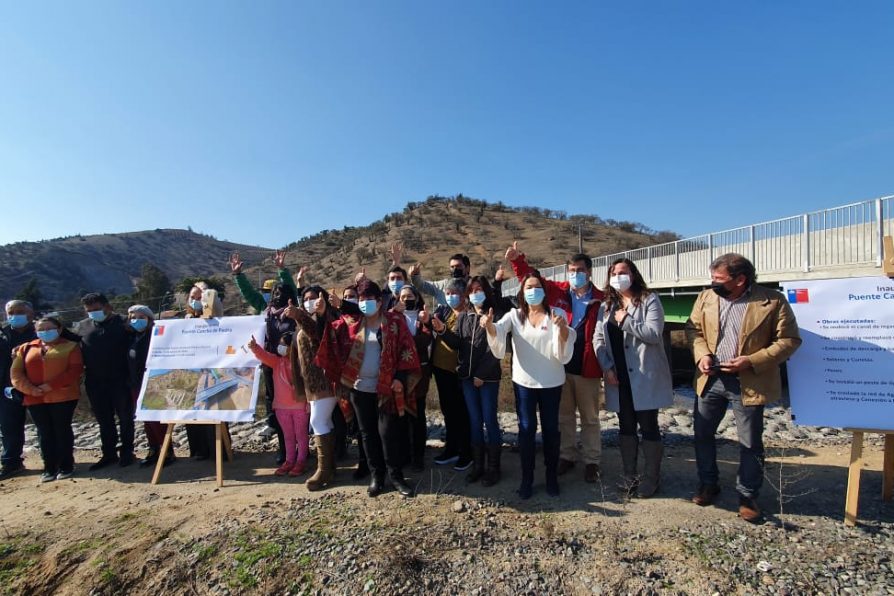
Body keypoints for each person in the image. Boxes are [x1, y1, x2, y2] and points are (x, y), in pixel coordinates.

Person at [686, 253, 801, 522]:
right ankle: (708, 484)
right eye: (712, 277)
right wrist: (702, 355)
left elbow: (789, 340)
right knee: (702, 434)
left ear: (740, 279)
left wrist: (751, 360)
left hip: (749, 381)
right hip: (711, 378)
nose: (713, 283)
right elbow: (693, 330)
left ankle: (748, 495)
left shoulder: (772, 301)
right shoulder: (706, 297)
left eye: (719, 279)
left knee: (749, 441)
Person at [507, 242, 605, 483]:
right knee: (565, 416)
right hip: (560, 366)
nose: (574, 275)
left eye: (579, 270)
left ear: (589, 272)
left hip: (587, 365)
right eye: (571, 270)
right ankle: (567, 455)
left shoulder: (602, 298)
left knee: (590, 417)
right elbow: (532, 282)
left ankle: (592, 461)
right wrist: (517, 261)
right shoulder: (560, 292)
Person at [315, 280, 421, 498]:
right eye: (361, 300)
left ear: (380, 301)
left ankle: (396, 476)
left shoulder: (394, 322)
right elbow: (328, 334)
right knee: (367, 435)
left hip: (386, 388)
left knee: (387, 433)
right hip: (359, 388)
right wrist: (323, 313)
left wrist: (400, 377)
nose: (364, 303)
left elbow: (406, 349)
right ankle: (377, 477)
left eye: (368, 299)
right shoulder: (352, 323)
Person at [482, 272, 576, 499]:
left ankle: (551, 477)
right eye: (528, 287)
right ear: (522, 292)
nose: (533, 290)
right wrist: (489, 326)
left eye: (536, 286)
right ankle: (527, 478)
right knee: (526, 430)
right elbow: (499, 331)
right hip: (524, 382)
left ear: (544, 290)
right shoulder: (515, 315)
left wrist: (562, 329)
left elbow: (566, 340)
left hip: (551, 382)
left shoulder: (556, 313)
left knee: (551, 430)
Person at [593, 258, 673, 497]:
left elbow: (653, 334)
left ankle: (651, 478)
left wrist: (626, 320)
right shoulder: (606, 306)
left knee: (649, 426)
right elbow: (598, 339)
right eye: (614, 273)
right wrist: (606, 368)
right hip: (618, 378)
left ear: (633, 274)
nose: (618, 276)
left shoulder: (650, 300)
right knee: (626, 427)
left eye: (623, 271)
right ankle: (630, 475)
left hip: (644, 377)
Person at [435, 275, 513, 485]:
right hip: (467, 379)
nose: (475, 293)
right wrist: (442, 331)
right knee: (475, 422)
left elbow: (496, 350)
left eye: (479, 289)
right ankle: (478, 466)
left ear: (486, 292)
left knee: (490, 421)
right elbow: (458, 344)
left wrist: (481, 375)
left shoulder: (495, 315)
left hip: (487, 379)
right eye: (472, 290)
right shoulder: (464, 317)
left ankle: (493, 468)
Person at [230, 251, 297, 465]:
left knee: (297, 404)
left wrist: (283, 271)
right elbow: (249, 294)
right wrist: (238, 275)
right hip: (270, 363)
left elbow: (291, 290)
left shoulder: (292, 310)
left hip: (293, 365)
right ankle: (283, 447)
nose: (272, 295)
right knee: (274, 405)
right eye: (269, 292)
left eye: (275, 291)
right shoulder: (264, 308)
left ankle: (300, 447)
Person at [283, 286, 343, 490]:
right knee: (324, 421)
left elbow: (315, 333)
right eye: (306, 298)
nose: (310, 301)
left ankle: (323, 470)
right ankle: (330, 467)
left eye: (314, 298)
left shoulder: (326, 318)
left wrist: (299, 315)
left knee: (317, 420)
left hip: (325, 381)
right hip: (313, 382)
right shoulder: (306, 320)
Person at [11, 316, 83, 482]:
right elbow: (16, 373)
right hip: (34, 398)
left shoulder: (70, 346)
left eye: (49, 328)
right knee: (44, 432)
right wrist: (30, 389)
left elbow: (74, 370)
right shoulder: (25, 348)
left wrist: (50, 386)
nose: (45, 332)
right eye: (41, 329)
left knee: (61, 430)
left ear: (58, 329)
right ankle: (49, 467)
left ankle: (66, 465)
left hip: (63, 396)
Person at [77, 292, 134, 469]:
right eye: (89, 310)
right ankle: (108, 454)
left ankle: (127, 453)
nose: (92, 313)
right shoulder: (82, 326)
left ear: (107, 307)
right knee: (104, 420)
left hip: (121, 380)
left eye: (96, 309)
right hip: (95, 382)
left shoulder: (125, 323)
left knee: (125, 418)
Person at [249, 332, 310, 477]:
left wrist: (309, 403)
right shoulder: (277, 362)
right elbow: (263, 355)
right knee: (287, 436)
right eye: (280, 344)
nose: (280, 347)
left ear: (292, 347)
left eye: (284, 344)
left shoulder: (301, 364)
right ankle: (289, 461)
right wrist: (254, 347)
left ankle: (301, 461)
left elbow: (308, 385)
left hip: (300, 407)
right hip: (281, 408)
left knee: (301, 435)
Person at [430, 279, 473, 471]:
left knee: (462, 413)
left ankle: (467, 453)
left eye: (454, 293)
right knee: (448, 411)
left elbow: (459, 343)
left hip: (459, 372)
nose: (450, 296)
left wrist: (442, 330)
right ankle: (452, 448)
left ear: (464, 295)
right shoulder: (444, 312)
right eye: (447, 293)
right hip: (441, 370)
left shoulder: (469, 315)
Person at [126, 305, 174, 468]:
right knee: (146, 419)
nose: (136, 320)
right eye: (132, 317)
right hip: (136, 384)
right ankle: (153, 449)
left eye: (140, 317)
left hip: (154, 383)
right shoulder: (132, 337)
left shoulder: (156, 336)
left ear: (149, 318)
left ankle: (167, 451)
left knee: (157, 420)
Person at [183, 283, 225, 459]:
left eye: (199, 297)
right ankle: (199, 450)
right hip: (191, 372)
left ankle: (219, 450)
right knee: (193, 411)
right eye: (192, 297)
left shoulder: (215, 318)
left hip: (212, 372)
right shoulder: (185, 319)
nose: (195, 301)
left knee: (213, 410)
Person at [395, 284, 434, 471]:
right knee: (401, 415)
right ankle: (403, 454)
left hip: (420, 374)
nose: (406, 299)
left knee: (418, 415)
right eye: (403, 297)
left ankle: (418, 455)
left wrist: (426, 323)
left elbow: (427, 339)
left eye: (410, 296)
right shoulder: (394, 317)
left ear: (416, 297)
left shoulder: (423, 316)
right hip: (399, 374)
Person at [0, 300, 37, 479]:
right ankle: (11, 462)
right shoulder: (2, 334)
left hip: (36, 386)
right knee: (9, 427)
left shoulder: (41, 332)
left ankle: (55, 459)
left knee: (45, 425)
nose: (15, 316)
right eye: (11, 312)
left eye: (19, 312)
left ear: (30, 314)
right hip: (8, 389)